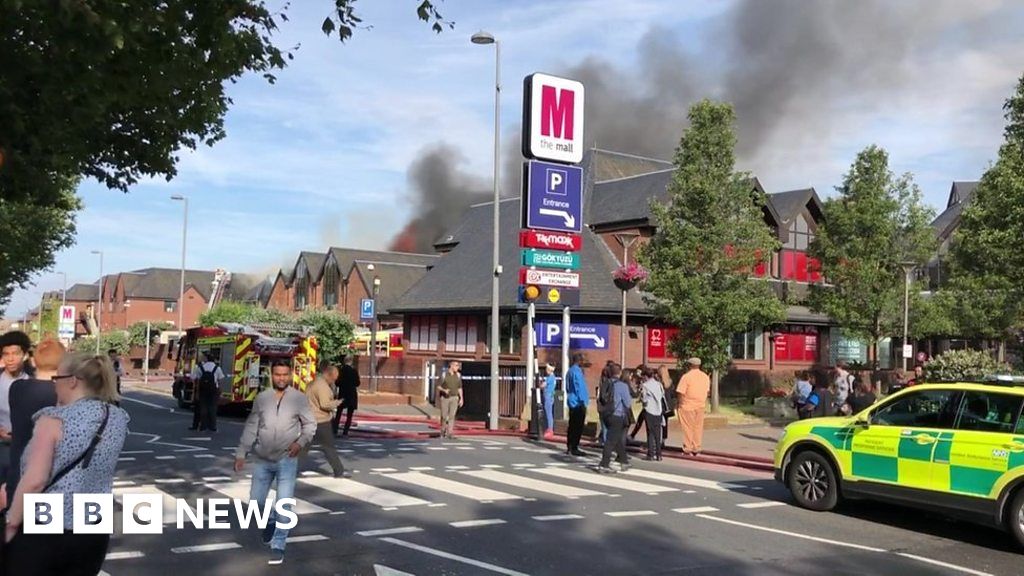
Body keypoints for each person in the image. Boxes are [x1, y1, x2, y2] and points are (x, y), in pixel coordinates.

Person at [4, 353, 130, 575]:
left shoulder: (52, 420)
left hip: (48, 525)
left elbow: (35, 480)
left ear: (72, 381)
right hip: (94, 526)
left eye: (57, 379)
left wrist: (12, 522)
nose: (54, 386)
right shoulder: (118, 419)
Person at [235, 359, 316, 566]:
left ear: (290, 375)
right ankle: (270, 519)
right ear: (271, 375)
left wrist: (300, 443)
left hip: (287, 459)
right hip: (262, 458)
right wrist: (241, 452)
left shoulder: (298, 399)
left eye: (284, 374)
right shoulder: (262, 398)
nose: (281, 378)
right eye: (277, 374)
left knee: (284, 502)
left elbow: (310, 425)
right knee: (255, 502)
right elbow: (252, 425)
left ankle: (278, 544)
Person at [3, 338, 62, 505]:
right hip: (51, 479)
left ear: (34, 360)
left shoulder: (18, 388)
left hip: (19, 475)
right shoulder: (64, 393)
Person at [306, 361, 350, 478]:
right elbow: (325, 404)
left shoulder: (313, 383)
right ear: (329, 375)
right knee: (329, 447)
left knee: (303, 447)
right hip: (321, 420)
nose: (334, 381)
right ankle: (339, 471)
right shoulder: (322, 387)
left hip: (309, 419)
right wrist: (337, 402)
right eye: (334, 378)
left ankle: (286, 468)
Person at [0, 330, 32, 485]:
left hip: (24, 451)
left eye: (15, 353)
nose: (10, 359)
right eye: (6, 354)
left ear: (25, 355)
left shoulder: (34, 384)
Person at [596, 363, 632, 473]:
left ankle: (624, 460)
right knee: (611, 440)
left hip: (606, 414)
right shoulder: (622, 386)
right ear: (620, 372)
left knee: (616, 439)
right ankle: (604, 464)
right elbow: (628, 403)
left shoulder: (605, 383)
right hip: (617, 414)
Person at [677, 357, 711, 456]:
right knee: (698, 428)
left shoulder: (686, 377)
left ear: (690, 365)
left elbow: (680, 392)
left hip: (687, 405)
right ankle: (697, 447)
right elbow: (707, 391)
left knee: (688, 428)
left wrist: (680, 403)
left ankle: (688, 448)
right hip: (700, 405)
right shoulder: (705, 376)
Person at [190, 351, 224, 432]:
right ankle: (212, 427)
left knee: (203, 408)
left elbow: (196, 380)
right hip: (213, 390)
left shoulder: (200, 367)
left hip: (203, 390)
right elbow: (220, 381)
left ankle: (203, 426)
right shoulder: (217, 368)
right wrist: (220, 391)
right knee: (212, 408)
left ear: (206, 358)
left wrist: (197, 393)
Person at [565, 353, 589, 457]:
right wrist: (584, 400)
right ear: (579, 361)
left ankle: (570, 446)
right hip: (578, 402)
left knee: (571, 425)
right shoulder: (577, 372)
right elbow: (579, 387)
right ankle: (574, 447)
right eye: (582, 360)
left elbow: (567, 386)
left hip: (571, 400)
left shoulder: (569, 371)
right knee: (578, 426)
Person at [639, 365, 666, 461]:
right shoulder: (659, 384)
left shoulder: (645, 386)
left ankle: (650, 454)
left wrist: (642, 400)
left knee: (650, 433)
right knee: (658, 433)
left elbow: (645, 400)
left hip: (649, 410)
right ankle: (659, 455)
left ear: (646, 376)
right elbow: (662, 396)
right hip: (658, 411)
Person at [334, 355, 360, 436]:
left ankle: (335, 429)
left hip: (343, 393)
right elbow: (357, 383)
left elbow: (337, 383)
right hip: (352, 394)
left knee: (339, 412)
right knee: (349, 414)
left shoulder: (341, 370)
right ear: (351, 361)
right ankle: (345, 431)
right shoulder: (354, 371)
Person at [438, 360, 463, 439]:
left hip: (454, 397)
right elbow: (438, 386)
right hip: (445, 398)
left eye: (458, 366)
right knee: (444, 416)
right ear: (451, 365)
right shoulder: (444, 374)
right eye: (456, 365)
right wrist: (444, 390)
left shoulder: (458, 375)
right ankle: (442, 430)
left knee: (452, 415)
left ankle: (450, 433)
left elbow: (460, 388)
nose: (457, 367)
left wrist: (461, 398)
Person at [595, 360, 615, 447]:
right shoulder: (610, 382)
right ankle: (607, 443)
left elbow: (599, 395)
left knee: (604, 425)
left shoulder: (602, 382)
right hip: (608, 406)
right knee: (608, 425)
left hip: (601, 406)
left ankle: (603, 439)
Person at [542, 363, 557, 440]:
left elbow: (543, 385)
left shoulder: (550, 377)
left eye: (546, 369)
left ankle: (550, 429)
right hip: (550, 396)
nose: (545, 370)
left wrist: (540, 385)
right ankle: (549, 428)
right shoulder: (553, 378)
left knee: (548, 413)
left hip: (548, 396)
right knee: (549, 412)